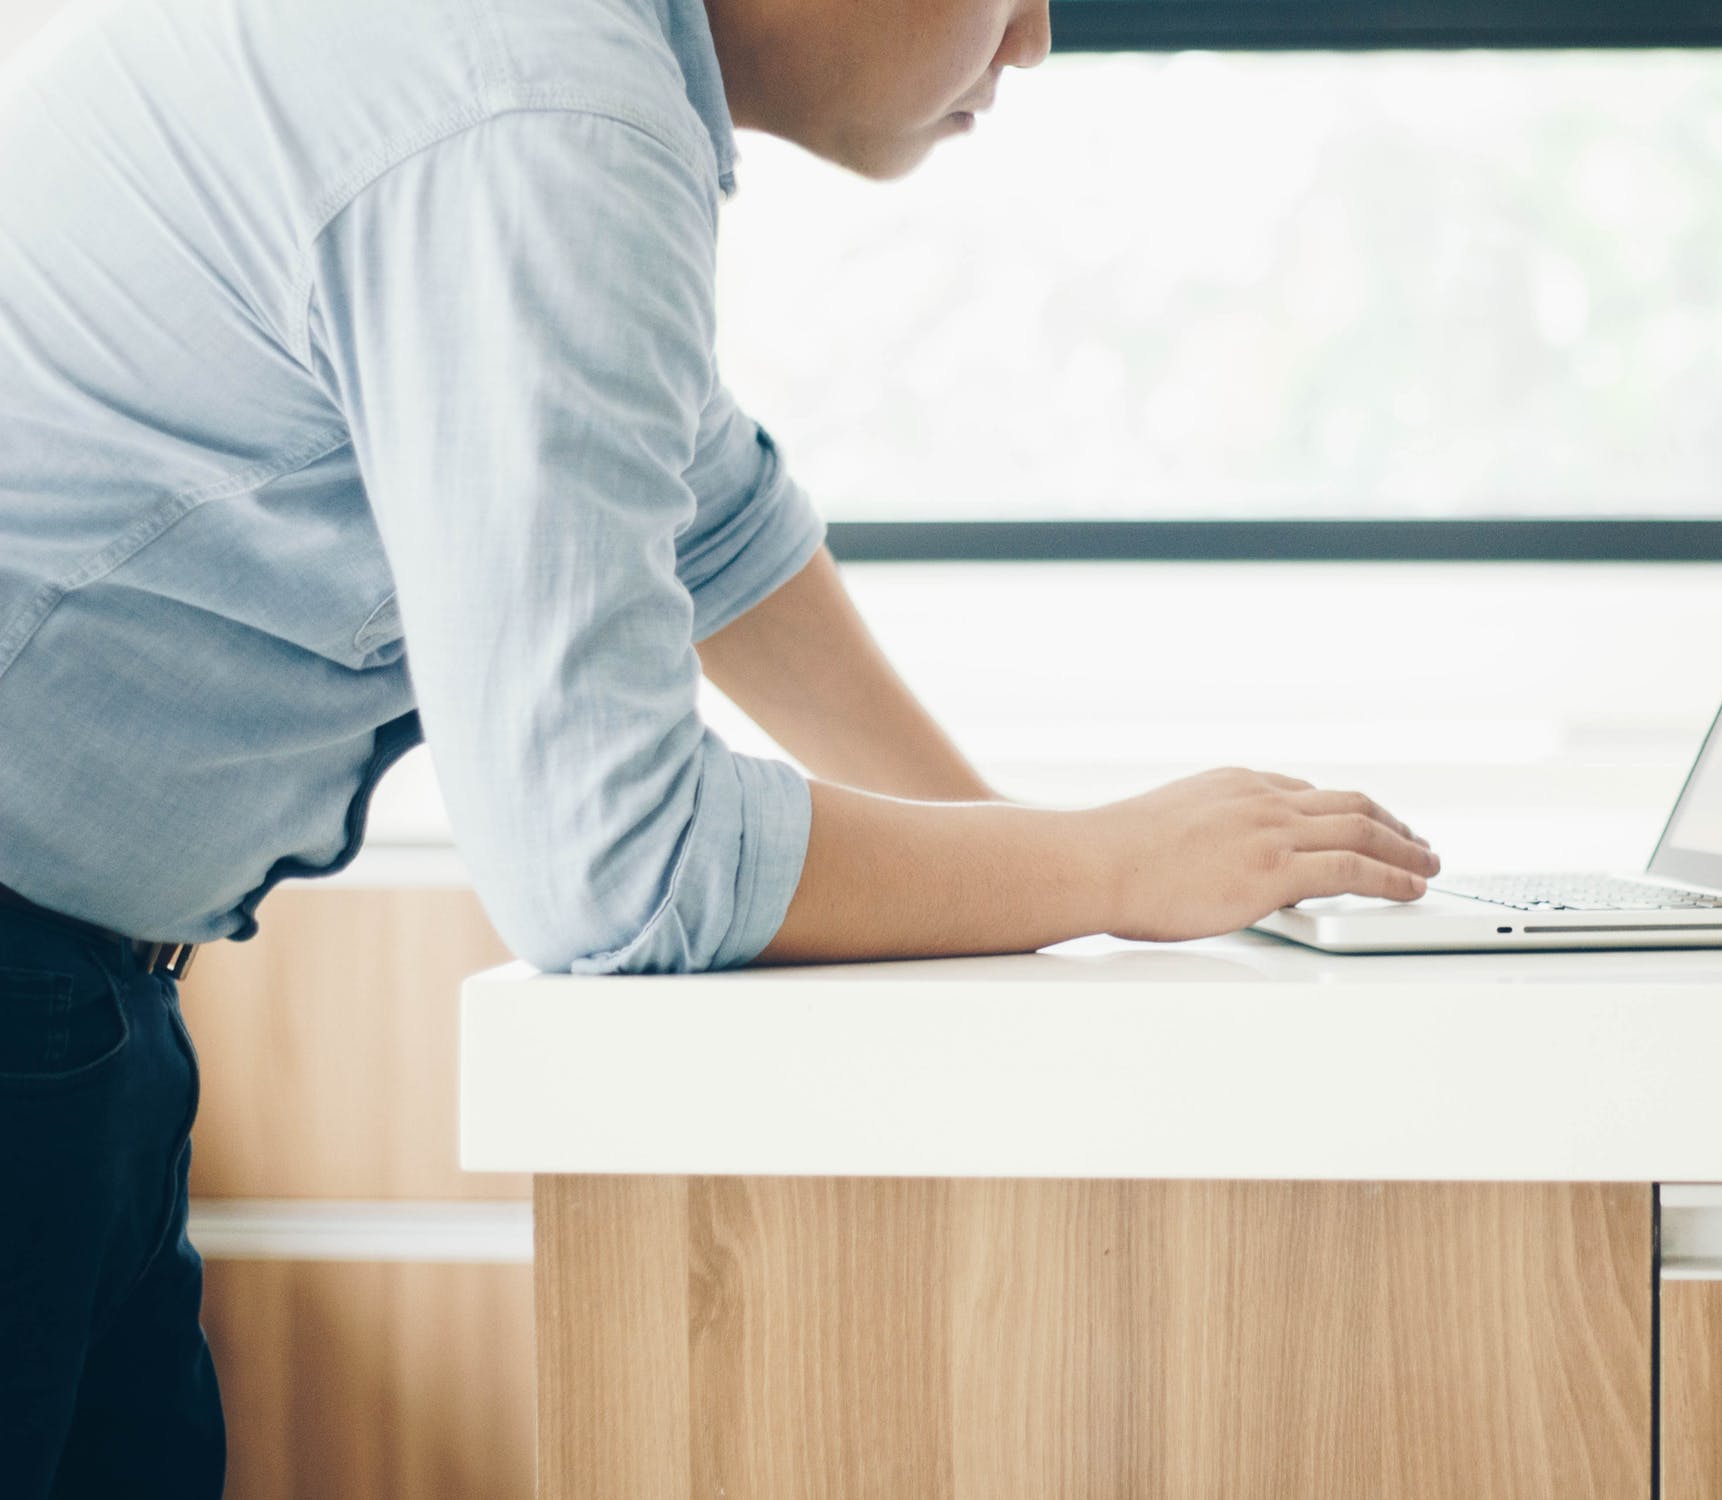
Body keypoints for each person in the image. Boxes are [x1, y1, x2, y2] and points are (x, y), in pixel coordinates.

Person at [0, 0, 1438, 1488]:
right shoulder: (541, 110)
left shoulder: (548, 65)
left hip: (77, 997)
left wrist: (1055, 892)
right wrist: (1100, 864)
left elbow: (712, 515)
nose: (1034, 42)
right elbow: (610, 861)